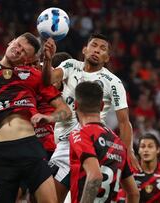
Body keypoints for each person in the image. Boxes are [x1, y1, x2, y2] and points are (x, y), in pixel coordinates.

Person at [0, 32, 71, 203]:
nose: (18, 50)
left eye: (24, 51)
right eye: (17, 44)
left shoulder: (34, 75)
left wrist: (49, 118)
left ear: (27, 61)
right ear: (10, 42)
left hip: (29, 147)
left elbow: (65, 110)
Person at [42, 33, 140, 202]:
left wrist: (128, 151)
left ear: (107, 58)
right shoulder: (71, 66)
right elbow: (48, 80)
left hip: (88, 142)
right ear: (84, 50)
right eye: (94, 45)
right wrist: (48, 60)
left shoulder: (113, 82)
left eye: (102, 49)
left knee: (49, 198)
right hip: (64, 142)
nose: (96, 50)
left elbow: (124, 122)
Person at [69, 81, 139, 203]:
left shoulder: (80, 134)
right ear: (102, 106)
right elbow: (134, 193)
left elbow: (95, 177)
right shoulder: (118, 142)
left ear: (75, 105)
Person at [116, 133, 160, 203]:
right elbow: (119, 194)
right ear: (139, 150)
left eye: (150, 146)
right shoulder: (129, 171)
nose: (146, 150)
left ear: (157, 150)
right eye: (142, 146)